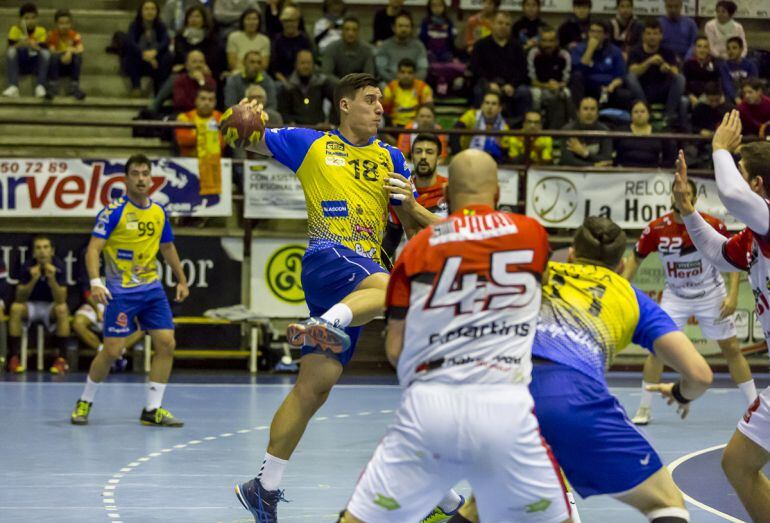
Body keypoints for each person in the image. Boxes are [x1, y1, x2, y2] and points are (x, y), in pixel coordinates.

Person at [232, 73, 439, 522]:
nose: (380, 108)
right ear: (344, 106)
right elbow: (241, 138)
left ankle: (263, 486)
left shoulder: (394, 159)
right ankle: (329, 324)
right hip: (329, 256)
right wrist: (242, 115)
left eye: (381, 101)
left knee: (313, 388)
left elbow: (417, 227)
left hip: (363, 276)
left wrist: (409, 204)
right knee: (390, 288)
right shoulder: (312, 145)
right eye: (370, 100)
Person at [340, 149, 571, 523]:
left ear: (447, 197)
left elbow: (396, 349)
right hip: (506, 410)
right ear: (496, 193)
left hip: (432, 409)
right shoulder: (532, 236)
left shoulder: (416, 251)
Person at [446, 216, 714, 523]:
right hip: (567, 394)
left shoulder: (543, 272)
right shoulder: (629, 296)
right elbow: (700, 375)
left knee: (482, 505)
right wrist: (680, 393)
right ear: (622, 264)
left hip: (491, 391)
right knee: (666, 503)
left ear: (572, 253)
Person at [671, 110, 770, 522]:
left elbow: (730, 193)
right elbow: (719, 254)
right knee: (737, 463)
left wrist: (718, 150)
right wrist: (689, 213)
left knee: (737, 463)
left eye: (743, 173)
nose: (737, 182)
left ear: (758, 185)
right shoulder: (756, 235)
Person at [624, 175, 755, 425]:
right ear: (672, 196)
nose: (681, 197)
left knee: (732, 349)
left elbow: (732, 259)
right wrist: (622, 284)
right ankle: (643, 409)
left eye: (685, 193)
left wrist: (734, 294)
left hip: (711, 295)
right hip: (676, 297)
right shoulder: (656, 229)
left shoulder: (711, 224)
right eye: (677, 193)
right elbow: (636, 257)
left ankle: (754, 407)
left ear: (694, 198)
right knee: (657, 351)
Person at [70, 154, 190, 427]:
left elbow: (168, 247)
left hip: (152, 289)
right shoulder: (113, 212)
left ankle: (152, 409)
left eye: (145, 173)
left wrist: (181, 279)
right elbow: (93, 250)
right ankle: (85, 401)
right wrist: (96, 282)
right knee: (112, 350)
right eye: (135, 174)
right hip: (120, 291)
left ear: (151, 179)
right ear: (126, 180)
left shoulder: (159, 212)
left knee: (166, 343)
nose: (141, 178)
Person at [6, 236, 70, 374]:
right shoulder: (27, 266)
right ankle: (13, 358)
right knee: (15, 308)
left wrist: (52, 279)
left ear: (52, 251)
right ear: (34, 252)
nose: (42, 251)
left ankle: (61, 359)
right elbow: (19, 298)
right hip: (31, 306)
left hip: (50, 306)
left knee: (62, 309)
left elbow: (61, 299)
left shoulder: (58, 266)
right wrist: (33, 279)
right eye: (38, 248)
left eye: (46, 247)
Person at [382, 133, 447, 266]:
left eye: (429, 152)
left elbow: (459, 230)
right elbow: (391, 239)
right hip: (412, 264)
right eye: (418, 152)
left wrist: (413, 207)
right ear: (412, 157)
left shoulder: (450, 190)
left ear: (439, 158)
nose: (423, 157)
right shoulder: (401, 190)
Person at [469, 11, 531, 123]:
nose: (503, 27)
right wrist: (490, 82)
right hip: (487, 84)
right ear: (492, 24)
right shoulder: (480, 45)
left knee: (524, 92)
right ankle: (481, 126)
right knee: (479, 91)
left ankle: (519, 127)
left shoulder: (517, 47)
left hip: (511, 86)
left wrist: (512, 85)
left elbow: (522, 70)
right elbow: (475, 68)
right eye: (500, 23)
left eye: (507, 24)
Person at [626, 18, 686, 129]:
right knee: (630, 77)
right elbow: (632, 71)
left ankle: (668, 117)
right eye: (648, 33)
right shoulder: (635, 51)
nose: (652, 37)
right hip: (642, 91)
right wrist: (649, 62)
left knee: (680, 81)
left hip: (663, 91)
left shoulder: (667, 52)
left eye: (655, 34)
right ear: (643, 36)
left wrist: (667, 68)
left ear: (661, 36)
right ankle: (646, 110)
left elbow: (676, 73)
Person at [569, 21, 631, 110]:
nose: (595, 35)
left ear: (605, 35)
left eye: (598, 32)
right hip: (587, 87)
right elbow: (578, 69)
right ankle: (579, 113)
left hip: (608, 88)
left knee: (625, 95)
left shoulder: (614, 51)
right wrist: (590, 49)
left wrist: (611, 86)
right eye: (592, 31)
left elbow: (620, 76)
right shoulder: (579, 49)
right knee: (576, 76)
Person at [123, 0, 172, 97]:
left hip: (155, 61)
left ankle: (160, 89)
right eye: (146, 9)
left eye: (152, 9)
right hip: (139, 60)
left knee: (168, 56)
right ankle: (136, 87)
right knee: (130, 55)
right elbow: (131, 43)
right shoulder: (135, 25)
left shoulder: (161, 26)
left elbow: (165, 41)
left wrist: (155, 52)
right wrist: (144, 54)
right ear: (141, 11)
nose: (150, 12)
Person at [527, 25, 572, 129]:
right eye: (544, 41)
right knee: (536, 95)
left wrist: (558, 85)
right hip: (538, 87)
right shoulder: (533, 53)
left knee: (567, 93)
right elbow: (532, 80)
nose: (548, 44)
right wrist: (547, 86)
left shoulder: (564, 55)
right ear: (539, 41)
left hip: (557, 87)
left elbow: (566, 80)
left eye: (551, 41)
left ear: (557, 42)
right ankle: (535, 126)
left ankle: (563, 129)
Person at [279, 50, 337, 126]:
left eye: (308, 63)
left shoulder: (322, 82)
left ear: (313, 65)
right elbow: (283, 111)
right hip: (296, 128)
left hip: (319, 128)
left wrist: (330, 122)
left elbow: (337, 99)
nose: (306, 66)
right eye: (302, 63)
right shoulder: (288, 86)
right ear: (296, 65)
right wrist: (291, 123)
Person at [3, 2, 49, 98]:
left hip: (35, 62)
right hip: (20, 62)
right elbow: (11, 47)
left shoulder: (41, 31)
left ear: (37, 19)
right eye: (26, 18)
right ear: (20, 19)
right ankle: (13, 86)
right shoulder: (15, 30)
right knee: (11, 51)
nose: (30, 21)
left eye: (33, 18)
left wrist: (35, 45)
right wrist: (21, 44)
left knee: (45, 53)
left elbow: (44, 48)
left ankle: (40, 86)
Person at [419, 0, 465, 97]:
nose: (437, 9)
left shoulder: (448, 22)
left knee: (449, 63)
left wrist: (455, 55)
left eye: (439, 6)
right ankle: (436, 88)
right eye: (434, 6)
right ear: (430, 8)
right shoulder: (426, 22)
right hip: (430, 52)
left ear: (444, 7)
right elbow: (422, 40)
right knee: (432, 64)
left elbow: (451, 41)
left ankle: (445, 88)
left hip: (445, 52)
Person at [452, 91, 510, 164]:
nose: (490, 107)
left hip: (493, 162)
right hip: (468, 159)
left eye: (494, 104)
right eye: (487, 103)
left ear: (500, 108)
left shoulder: (504, 127)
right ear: (482, 105)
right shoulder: (471, 115)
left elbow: (505, 153)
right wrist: (457, 154)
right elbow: (454, 132)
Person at [614, 101, 675, 168]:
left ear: (649, 114)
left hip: (652, 173)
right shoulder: (621, 131)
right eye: (636, 112)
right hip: (624, 171)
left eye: (643, 111)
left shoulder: (658, 133)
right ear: (631, 115)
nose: (639, 114)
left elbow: (668, 157)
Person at [172, 5, 224, 80]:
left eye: (197, 16)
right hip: (184, 70)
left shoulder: (211, 37)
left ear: (204, 19)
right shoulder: (180, 37)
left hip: (207, 70)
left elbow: (213, 57)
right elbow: (181, 54)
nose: (194, 20)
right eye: (191, 17)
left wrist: (198, 66)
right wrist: (188, 67)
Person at [375, 12, 428, 84]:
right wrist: (398, 83)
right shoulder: (385, 46)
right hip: (390, 84)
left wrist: (410, 82)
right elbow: (381, 70)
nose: (404, 29)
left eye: (407, 26)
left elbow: (423, 69)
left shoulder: (419, 46)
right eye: (400, 26)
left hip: (414, 84)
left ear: (411, 28)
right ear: (393, 28)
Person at [559, 96, 612, 167]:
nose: (589, 113)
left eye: (592, 109)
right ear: (578, 113)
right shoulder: (568, 130)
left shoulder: (604, 131)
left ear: (597, 114)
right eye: (585, 109)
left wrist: (585, 153)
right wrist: (593, 165)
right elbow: (567, 160)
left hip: (597, 174)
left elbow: (607, 159)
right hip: (573, 173)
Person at [46, 8, 85, 100]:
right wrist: (65, 53)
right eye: (61, 23)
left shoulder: (74, 35)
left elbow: (80, 49)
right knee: (54, 57)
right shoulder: (52, 35)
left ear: (71, 24)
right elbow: (52, 51)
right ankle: (53, 86)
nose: (64, 26)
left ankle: (74, 86)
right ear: (56, 24)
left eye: (67, 23)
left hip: (70, 65)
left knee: (77, 57)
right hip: (57, 65)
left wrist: (69, 51)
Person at [268, 5, 313, 86]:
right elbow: (274, 69)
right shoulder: (277, 40)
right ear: (282, 22)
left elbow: (309, 63)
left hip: (303, 78)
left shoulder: (305, 39)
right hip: (281, 80)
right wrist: (285, 82)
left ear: (298, 22)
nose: (289, 24)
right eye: (286, 21)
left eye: (292, 21)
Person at [321, 16, 375, 82]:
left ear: (358, 32)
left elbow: (369, 75)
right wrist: (343, 85)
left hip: (359, 87)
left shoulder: (366, 50)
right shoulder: (331, 48)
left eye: (354, 30)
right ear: (342, 31)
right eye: (347, 29)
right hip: (335, 87)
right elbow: (327, 74)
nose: (350, 33)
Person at [382, 58, 433, 127]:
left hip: (417, 125)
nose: (406, 76)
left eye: (410, 73)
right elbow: (384, 111)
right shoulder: (390, 88)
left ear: (415, 74)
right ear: (398, 74)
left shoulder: (423, 88)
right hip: (394, 125)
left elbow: (428, 109)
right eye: (402, 72)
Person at [226, 8, 270, 72]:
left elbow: (264, 65)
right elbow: (232, 64)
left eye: (255, 19)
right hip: (238, 73)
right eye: (248, 19)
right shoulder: (233, 37)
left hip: (258, 73)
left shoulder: (265, 40)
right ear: (243, 21)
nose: (251, 22)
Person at [683, 37, 722, 108]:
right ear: (694, 49)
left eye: (705, 47)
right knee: (684, 102)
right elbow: (684, 84)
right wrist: (691, 96)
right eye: (699, 46)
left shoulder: (715, 63)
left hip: (709, 96)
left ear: (709, 50)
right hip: (691, 95)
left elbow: (717, 82)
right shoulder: (688, 64)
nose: (702, 50)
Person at [719, 37, 759, 104]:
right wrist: (735, 98)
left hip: (748, 95)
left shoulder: (750, 64)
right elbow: (727, 84)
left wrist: (746, 96)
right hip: (731, 97)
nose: (731, 51)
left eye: (734, 48)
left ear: (741, 49)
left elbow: (754, 83)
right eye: (728, 49)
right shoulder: (724, 66)